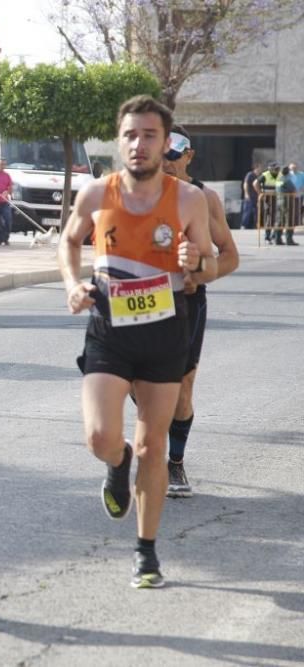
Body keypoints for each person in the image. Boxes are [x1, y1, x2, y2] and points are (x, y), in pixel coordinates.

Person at [57, 95, 216, 589]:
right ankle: (116, 461)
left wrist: (194, 262)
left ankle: (146, 552)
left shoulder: (188, 200)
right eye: (130, 134)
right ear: (118, 140)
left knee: (154, 446)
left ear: (166, 143)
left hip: (166, 330)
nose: (139, 144)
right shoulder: (95, 194)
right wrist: (72, 284)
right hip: (109, 328)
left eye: (149, 135)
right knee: (100, 437)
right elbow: (67, 241)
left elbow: (211, 262)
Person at [160, 125, 240, 497]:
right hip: (139, 297)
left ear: (189, 155)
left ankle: (174, 463)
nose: (168, 161)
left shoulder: (204, 198)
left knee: (183, 386)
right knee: (130, 378)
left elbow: (230, 256)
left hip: (188, 301)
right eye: (162, 152)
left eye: (175, 153)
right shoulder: (134, 192)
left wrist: (200, 274)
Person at [255, 161, 283, 244]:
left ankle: (275, 236)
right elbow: (255, 184)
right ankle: (267, 237)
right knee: (269, 218)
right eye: (275, 168)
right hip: (268, 199)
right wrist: (261, 194)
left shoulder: (280, 174)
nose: (277, 170)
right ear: (270, 168)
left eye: (278, 168)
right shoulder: (265, 175)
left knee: (279, 218)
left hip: (278, 198)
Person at [277, 166, 299, 245]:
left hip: (279, 201)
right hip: (287, 202)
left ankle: (277, 238)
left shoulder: (278, 180)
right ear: (288, 172)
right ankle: (289, 239)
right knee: (289, 220)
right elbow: (293, 190)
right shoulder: (287, 180)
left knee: (280, 220)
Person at [241, 164, 262, 229]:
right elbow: (245, 184)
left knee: (255, 212)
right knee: (247, 211)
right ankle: (244, 225)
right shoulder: (250, 174)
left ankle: (255, 225)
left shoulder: (258, 176)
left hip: (255, 197)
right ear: (256, 168)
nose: (260, 170)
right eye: (260, 168)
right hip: (250, 197)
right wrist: (247, 194)